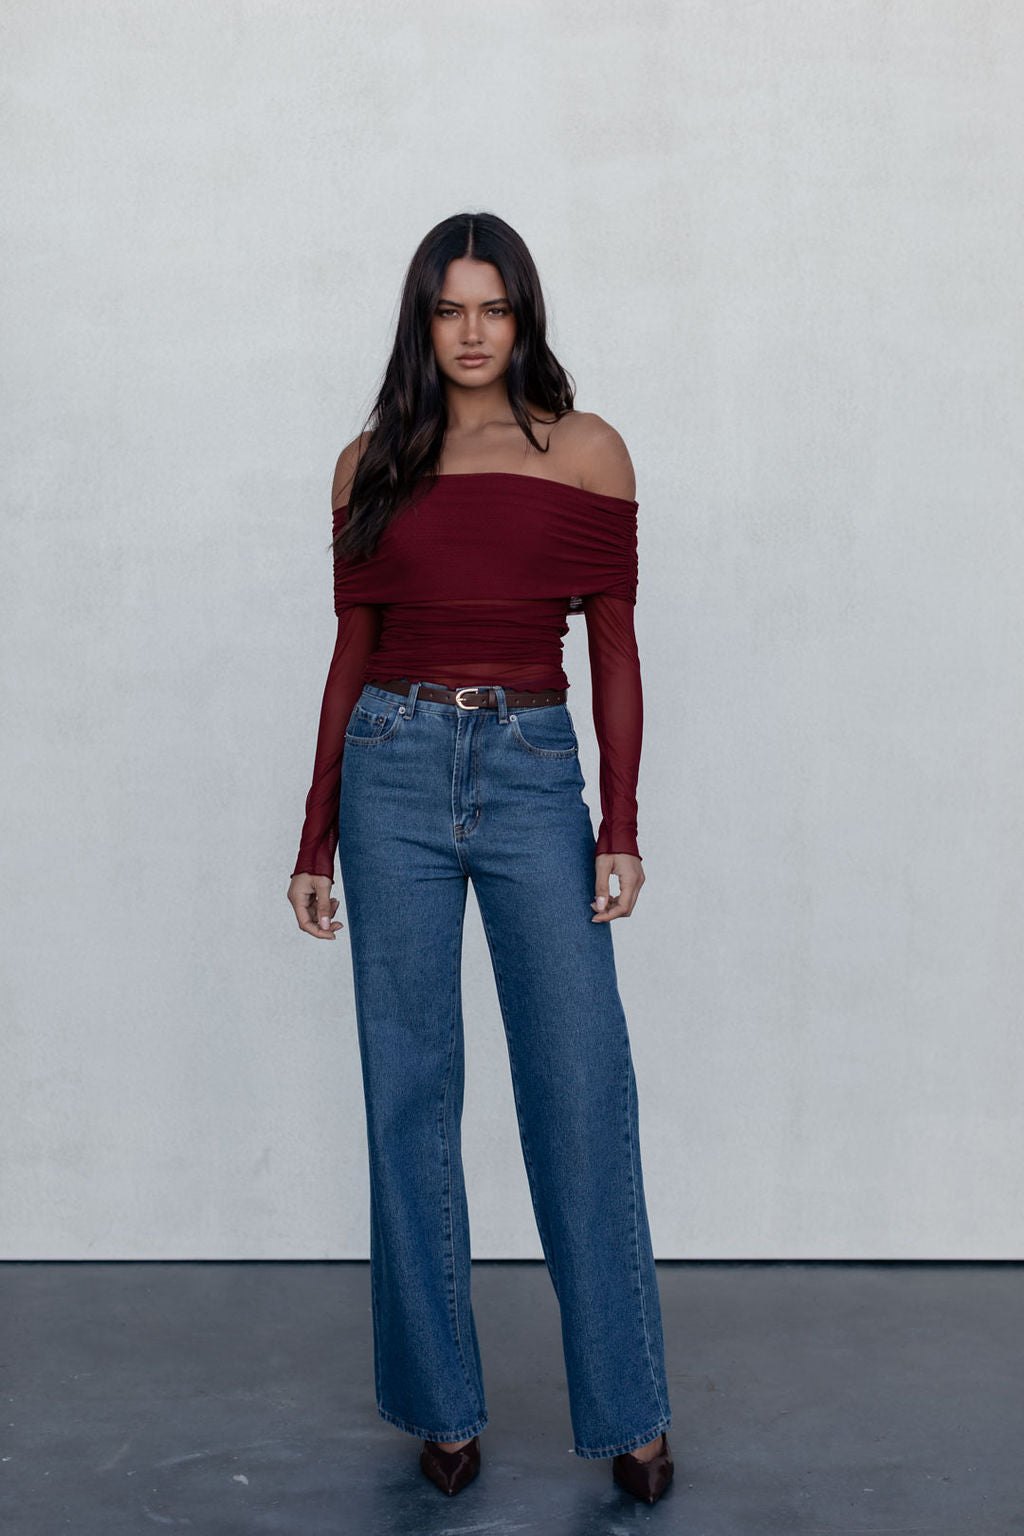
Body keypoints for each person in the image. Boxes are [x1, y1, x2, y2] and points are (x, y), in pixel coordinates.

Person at [286, 211, 674, 1505]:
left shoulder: (587, 455)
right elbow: (351, 654)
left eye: (492, 308)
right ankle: (441, 1404)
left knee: (580, 1083)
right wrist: (316, 831)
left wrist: (618, 822)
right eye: (449, 309)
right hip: (390, 765)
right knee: (408, 1096)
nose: (469, 332)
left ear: (523, 318)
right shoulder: (368, 467)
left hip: (529, 770)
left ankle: (630, 1408)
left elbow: (612, 650)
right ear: (422, 319)